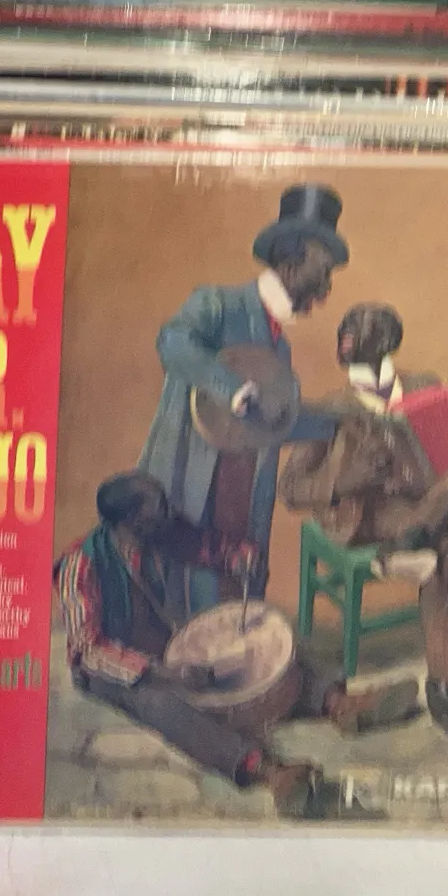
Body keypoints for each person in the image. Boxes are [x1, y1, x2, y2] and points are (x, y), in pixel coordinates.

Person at [54, 471, 420, 819]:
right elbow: (88, 649)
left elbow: (204, 545)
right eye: (156, 514)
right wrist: (163, 673)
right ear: (129, 523)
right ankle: (270, 772)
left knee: (260, 641)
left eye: (165, 507)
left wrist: (240, 557)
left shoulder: (158, 529)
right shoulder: (79, 567)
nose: (168, 517)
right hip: (114, 669)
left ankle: (339, 704)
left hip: (165, 644)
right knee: (164, 705)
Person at [277, 303, 448, 741]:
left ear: (386, 341)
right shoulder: (331, 409)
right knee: (445, 546)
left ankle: (411, 538)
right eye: (344, 331)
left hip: (421, 500)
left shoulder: (424, 385)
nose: (346, 338)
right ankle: (446, 683)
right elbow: (291, 488)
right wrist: (345, 479)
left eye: (358, 330)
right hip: (362, 515)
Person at [137, 183, 349, 598]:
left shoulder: (280, 348)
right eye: (323, 272)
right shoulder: (217, 304)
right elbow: (172, 342)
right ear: (291, 261)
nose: (326, 289)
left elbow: (275, 422)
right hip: (189, 502)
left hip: (244, 509)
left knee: (237, 607)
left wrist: (339, 423)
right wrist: (232, 389)